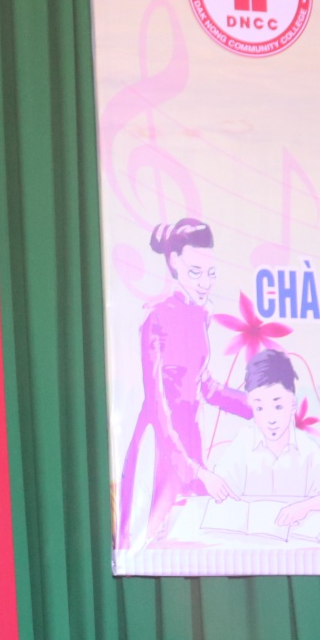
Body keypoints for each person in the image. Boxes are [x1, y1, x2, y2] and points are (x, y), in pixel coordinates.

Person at [116, 218, 251, 546]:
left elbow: (205, 385)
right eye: (195, 272)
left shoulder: (200, 314)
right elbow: (158, 407)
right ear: (174, 262)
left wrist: (256, 406)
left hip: (191, 443)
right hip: (160, 447)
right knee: (149, 544)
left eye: (211, 273)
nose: (205, 283)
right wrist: (196, 471)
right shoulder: (157, 318)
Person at [205, 349, 320, 527]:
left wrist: (304, 507)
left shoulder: (305, 447)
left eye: (278, 406)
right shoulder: (244, 441)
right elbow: (220, 490)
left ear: (293, 404)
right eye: (260, 408)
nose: (270, 419)